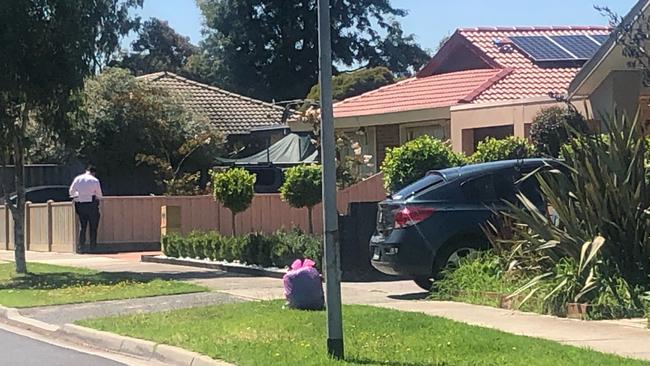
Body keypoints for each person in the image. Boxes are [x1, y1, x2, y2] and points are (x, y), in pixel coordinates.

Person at [69, 166, 103, 253]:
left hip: (80, 203)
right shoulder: (94, 180)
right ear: (94, 173)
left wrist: (79, 194)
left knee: (82, 226)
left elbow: (71, 191)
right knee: (93, 227)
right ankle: (93, 248)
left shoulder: (78, 178)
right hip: (91, 204)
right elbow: (99, 195)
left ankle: (81, 248)